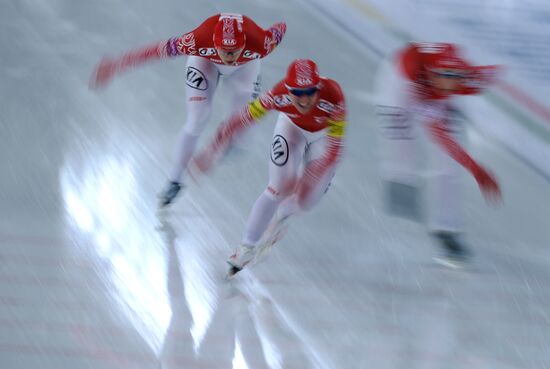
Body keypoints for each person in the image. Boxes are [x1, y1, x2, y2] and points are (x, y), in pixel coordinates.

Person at [90, 13, 287, 207]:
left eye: (234, 51)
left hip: (245, 69)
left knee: (242, 127)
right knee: (197, 119)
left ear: (244, 43)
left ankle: (227, 140)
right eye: (224, 51)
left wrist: (213, 149)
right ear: (214, 43)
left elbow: (281, 27)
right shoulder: (198, 40)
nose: (229, 57)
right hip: (205, 62)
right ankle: (175, 179)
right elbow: (156, 51)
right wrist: (117, 65)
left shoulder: (262, 43)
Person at [191, 59, 347, 276]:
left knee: (304, 201)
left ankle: (284, 215)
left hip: (324, 138)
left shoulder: (334, 95)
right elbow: (241, 119)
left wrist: (308, 179)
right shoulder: (277, 95)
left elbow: (333, 152)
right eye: (297, 92)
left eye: (310, 91)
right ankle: (246, 246)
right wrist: (212, 148)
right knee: (277, 187)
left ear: (318, 87)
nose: (304, 99)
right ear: (288, 89)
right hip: (291, 129)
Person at [374, 42, 501, 267]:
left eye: (453, 76)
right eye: (442, 75)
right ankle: (400, 180)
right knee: (400, 137)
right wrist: (476, 169)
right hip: (400, 80)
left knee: (446, 165)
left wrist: (475, 168)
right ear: (432, 73)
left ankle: (447, 229)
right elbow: (438, 135)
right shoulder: (414, 75)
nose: (447, 82)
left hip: (431, 90)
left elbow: (498, 72)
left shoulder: (466, 82)